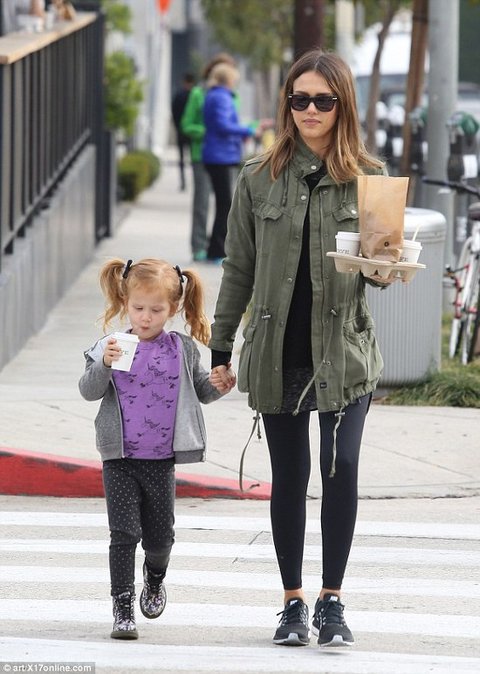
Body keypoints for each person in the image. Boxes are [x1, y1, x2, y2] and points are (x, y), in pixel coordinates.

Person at [208, 49, 389, 649]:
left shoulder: (369, 178)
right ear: (287, 103)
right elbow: (238, 266)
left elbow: (382, 270)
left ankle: (332, 600)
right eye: (299, 99)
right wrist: (220, 346)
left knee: (342, 470)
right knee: (290, 476)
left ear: (343, 106)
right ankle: (292, 601)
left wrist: (385, 267)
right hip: (277, 349)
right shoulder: (258, 176)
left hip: (344, 352)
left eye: (323, 100)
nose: (310, 110)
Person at [79, 257, 235, 640]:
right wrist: (104, 364)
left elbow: (201, 391)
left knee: (160, 539)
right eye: (138, 308)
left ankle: (154, 576)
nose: (145, 317)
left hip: (162, 459)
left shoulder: (181, 348)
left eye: (156, 310)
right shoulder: (114, 346)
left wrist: (220, 385)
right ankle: (122, 608)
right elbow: (88, 390)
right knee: (123, 534)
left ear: (173, 308)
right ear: (125, 302)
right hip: (120, 458)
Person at [180, 53, 237, 262]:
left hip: (226, 156)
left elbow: (231, 123)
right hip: (202, 155)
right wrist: (208, 132)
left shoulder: (232, 95)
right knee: (202, 203)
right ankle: (198, 246)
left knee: (226, 204)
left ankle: (219, 245)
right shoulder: (199, 93)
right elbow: (187, 125)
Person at [202, 62, 255, 263]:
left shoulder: (213, 95)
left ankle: (214, 249)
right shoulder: (222, 97)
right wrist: (247, 130)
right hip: (220, 156)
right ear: (229, 79)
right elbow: (223, 125)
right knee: (225, 205)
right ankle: (217, 250)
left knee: (223, 204)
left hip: (217, 155)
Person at [171, 73, 195, 192]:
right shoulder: (195, 96)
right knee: (194, 159)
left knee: (181, 158)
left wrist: (178, 127)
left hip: (181, 131)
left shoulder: (179, 95)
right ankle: (194, 181)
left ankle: (183, 182)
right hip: (192, 132)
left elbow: (174, 112)